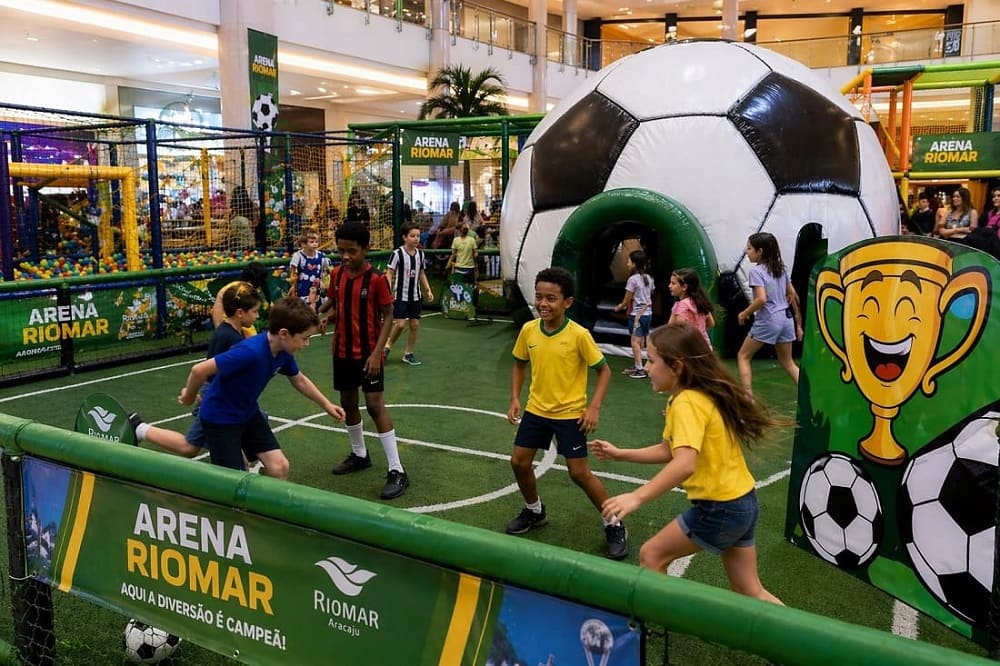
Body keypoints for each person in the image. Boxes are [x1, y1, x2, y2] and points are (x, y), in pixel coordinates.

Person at [590, 322, 784, 605]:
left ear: (677, 367)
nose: (646, 366)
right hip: (744, 503)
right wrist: (621, 454)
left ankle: (660, 621)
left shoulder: (686, 403)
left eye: (652, 361)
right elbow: (669, 450)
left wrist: (636, 497)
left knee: (651, 555)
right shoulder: (691, 397)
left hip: (721, 509)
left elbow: (684, 464)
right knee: (749, 590)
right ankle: (805, 644)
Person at [505, 266, 627, 560]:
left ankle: (614, 523)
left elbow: (604, 371)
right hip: (536, 410)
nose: (543, 304)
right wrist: (514, 398)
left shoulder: (578, 335)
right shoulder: (528, 330)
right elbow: (520, 363)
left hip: (570, 415)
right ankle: (535, 511)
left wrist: (593, 407)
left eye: (551, 298)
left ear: (567, 302)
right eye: (539, 297)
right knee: (519, 462)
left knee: (579, 473)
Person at [178, 297, 346, 479]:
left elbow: (299, 380)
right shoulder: (251, 352)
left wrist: (327, 405)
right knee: (234, 479)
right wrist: (189, 396)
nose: (306, 344)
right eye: (304, 338)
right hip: (221, 418)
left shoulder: (283, 352)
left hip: (248, 413)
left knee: (279, 467)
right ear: (283, 334)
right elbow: (199, 370)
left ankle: (267, 505)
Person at [318, 221, 409, 499]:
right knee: (347, 401)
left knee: (374, 404)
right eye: (341, 250)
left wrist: (377, 352)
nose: (345, 256)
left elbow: (389, 314)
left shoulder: (377, 280)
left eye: (352, 251)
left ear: (365, 250)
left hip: (368, 354)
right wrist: (322, 316)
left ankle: (397, 470)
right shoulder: (337, 275)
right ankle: (360, 454)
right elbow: (336, 305)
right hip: (342, 351)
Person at [131, 281, 262, 460]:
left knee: (193, 447)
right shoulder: (231, 338)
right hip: (218, 397)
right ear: (240, 313)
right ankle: (138, 427)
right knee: (189, 447)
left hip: (218, 393)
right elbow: (211, 371)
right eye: (254, 311)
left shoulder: (227, 330)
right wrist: (198, 394)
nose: (257, 316)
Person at [736, 232, 802, 396]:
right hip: (786, 320)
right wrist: (798, 325)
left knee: (743, 356)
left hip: (769, 319)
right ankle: (809, 394)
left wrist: (744, 313)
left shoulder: (756, 272)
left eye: (750, 248)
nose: (747, 252)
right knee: (788, 362)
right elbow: (794, 296)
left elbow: (761, 299)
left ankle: (748, 396)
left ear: (760, 251)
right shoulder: (781, 270)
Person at [384, 222, 434, 366]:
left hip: (415, 296)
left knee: (415, 324)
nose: (416, 238)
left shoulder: (420, 254)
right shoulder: (397, 254)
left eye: (418, 236)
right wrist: (388, 290)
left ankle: (408, 353)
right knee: (400, 324)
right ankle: (387, 346)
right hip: (401, 295)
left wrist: (428, 289)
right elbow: (389, 273)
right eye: (412, 236)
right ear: (404, 237)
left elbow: (422, 273)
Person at [613, 250, 655, 379]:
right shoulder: (649, 278)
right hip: (648, 314)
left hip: (637, 315)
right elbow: (651, 293)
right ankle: (638, 364)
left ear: (635, 264)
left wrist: (619, 307)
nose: (627, 263)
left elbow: (627, 300)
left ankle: (639, 369)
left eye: (629, 261)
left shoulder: (632, 279)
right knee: (641, 341)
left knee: (635, 342)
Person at [667, 268, 715, 348]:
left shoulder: (682, 305)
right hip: (705, 346)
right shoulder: (700, 302)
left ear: (684, 287)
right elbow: (711, 323)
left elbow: (676, 329)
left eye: (673, 283)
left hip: (690, 349)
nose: (669, 286)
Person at [287, 227, 330, 312]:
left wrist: (323, 282)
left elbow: (325, 271)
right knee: (303, 309)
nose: (315, 244)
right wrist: (293, 284)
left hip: (316, 287)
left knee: (315, 306)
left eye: (316, 242)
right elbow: (293, 272)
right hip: (302, 287)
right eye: (311, 242)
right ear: (303, 244)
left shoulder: (321, 256)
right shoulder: (298, 256)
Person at [229, 185, 254, 251]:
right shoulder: (250, 205)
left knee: (238, 221)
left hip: (242, 240)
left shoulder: (250, 205)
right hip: (245, 240)